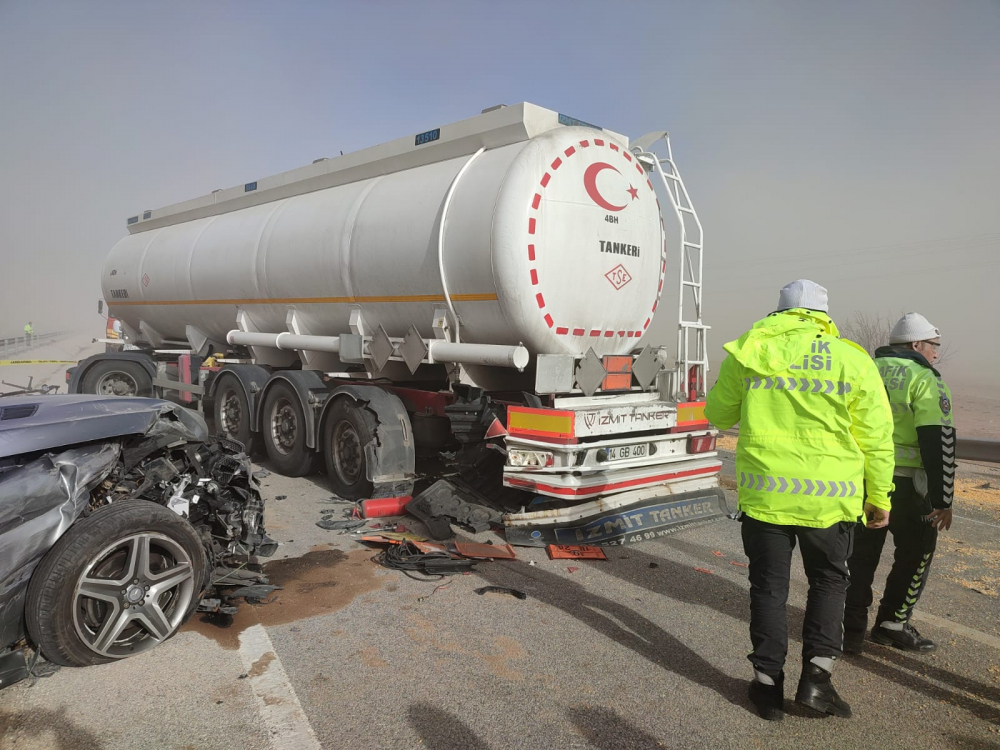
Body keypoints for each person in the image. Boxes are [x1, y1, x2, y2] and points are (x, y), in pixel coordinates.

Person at [705, 279, 894, 721]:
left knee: (768, 588)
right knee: (829, 584)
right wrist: (879, 495)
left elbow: (716, 414)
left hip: (766, 497)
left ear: (779, 313)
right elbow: (877, 437)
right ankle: (816, 684)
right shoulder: (852, 358)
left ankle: (768, 689)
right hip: (830, 502)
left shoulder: (750, 351)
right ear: (824, 316)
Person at [844, 313, 955, 654]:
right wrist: (943, 498)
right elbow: (938, 439)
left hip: (861, 480)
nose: (936, 354)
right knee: (916, 553)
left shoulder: (862, 367)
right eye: (934, 346)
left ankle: (848, 629)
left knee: (859, 556)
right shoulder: (925, 378)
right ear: (916, 345)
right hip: (908, 487)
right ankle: (893, 623)